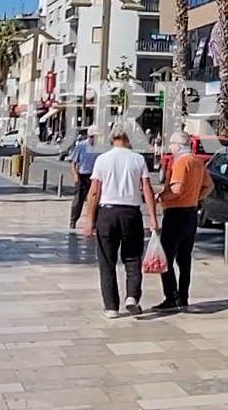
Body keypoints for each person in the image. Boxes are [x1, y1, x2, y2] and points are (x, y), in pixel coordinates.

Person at [79, 124, 157, 318]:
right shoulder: (138, 159)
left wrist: (89, 220)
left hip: (107, 213)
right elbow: (147, 188)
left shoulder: (102, 160)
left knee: (107, 261)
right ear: (128, 139)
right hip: (131, 213)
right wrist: (153, 219)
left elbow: (94, 191)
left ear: (111, 138)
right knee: (132, 259)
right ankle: (132, 297)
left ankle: (111, 306)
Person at [155, 133, 213, 312]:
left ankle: (171, 296)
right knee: (184, 258)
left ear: (178, 145)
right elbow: (209, 185)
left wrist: (161, 196)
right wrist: (196, 198)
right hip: (191, 213)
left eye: (171, 144)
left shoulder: (181, 162)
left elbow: (177, 189)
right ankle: (183, 296)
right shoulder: (196, 162)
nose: (170, 148)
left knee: (166, 256)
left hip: (176, 213)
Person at [69, 129, 98, 229]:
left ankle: (93, 221)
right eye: (91, 137)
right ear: (88, 136)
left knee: (95, 200)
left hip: (94, 176)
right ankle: (73, 220)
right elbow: (73, 162)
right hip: (82, 175)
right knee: (78, 200)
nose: (93, 139)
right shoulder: (81, 146)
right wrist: (75, 176)